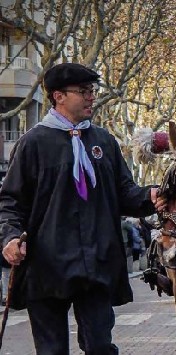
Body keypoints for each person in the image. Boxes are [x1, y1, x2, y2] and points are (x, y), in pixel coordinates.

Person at [0, 63, 166, 355]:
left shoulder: (104, 141)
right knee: (51, 351)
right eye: (84, 92)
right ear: (58, 96)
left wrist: (150, 195)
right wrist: (10, 237)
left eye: (92, 91)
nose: (91, 97)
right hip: (47, 263)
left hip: (97, 260)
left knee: (100, 346)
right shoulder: (32, 143)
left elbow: (124, 193)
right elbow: (10, 201)